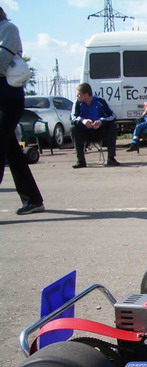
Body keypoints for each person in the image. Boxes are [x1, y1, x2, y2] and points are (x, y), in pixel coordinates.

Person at [0, 6, 45, 215]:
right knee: (12, 151)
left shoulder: (8, 29)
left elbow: (1, 63)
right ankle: (33, 200)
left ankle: (33, 200)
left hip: (7, 98)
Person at [70, 82, 119, 168]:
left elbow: (112, 116)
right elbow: (73, 118)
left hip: (99, 131)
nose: (77, 96)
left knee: (113, 126)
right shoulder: (77, 103)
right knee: (73, 129)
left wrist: (101, 121)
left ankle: (111, 158)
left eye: (79, 94)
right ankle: (81, 161)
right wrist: (83, 121)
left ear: (86, 94)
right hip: (85, 132)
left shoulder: (100, 101)